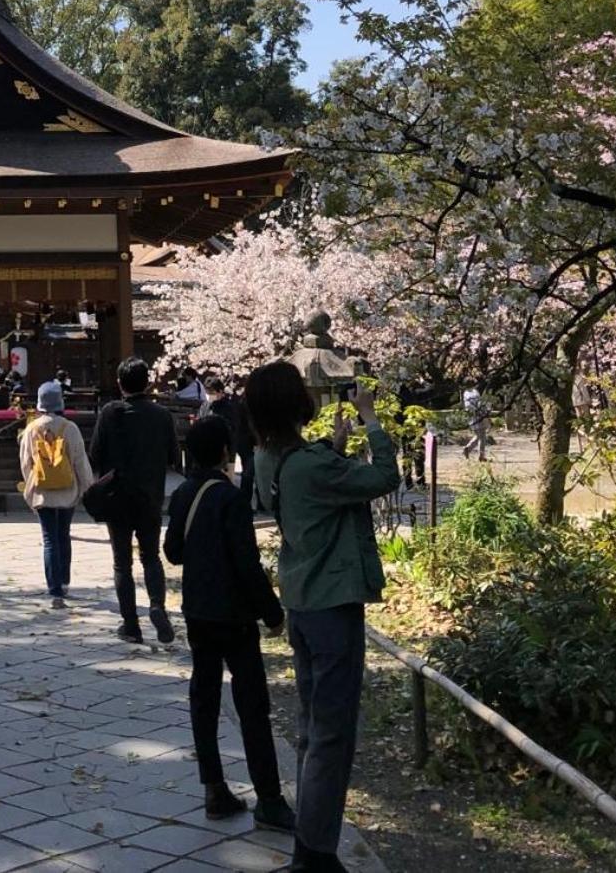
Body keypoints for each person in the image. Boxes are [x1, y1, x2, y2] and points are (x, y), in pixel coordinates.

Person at [248, 361, 400, 873]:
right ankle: (314, 854)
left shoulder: (269, 458)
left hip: (300, 601)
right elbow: (385, 477)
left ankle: (309, 843)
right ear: (298, 404)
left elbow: (306, 488)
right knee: (332, 733)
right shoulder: (311, 464)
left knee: (313, 726)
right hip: (333, 604)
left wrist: (334, 445)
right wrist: (370, 419)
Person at [165, 416, 297, 829]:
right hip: (235, 615)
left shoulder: (185, 493)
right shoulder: (231, 499)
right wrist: (273, 612)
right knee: (252, 706)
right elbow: (247, 564)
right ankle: (269, 799)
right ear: (225, 452)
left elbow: (172, 552)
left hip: (198, 612)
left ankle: (214, 789)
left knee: (203, 701)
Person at [89, 356, 181, 644]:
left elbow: (95, 455)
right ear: (149, 382)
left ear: (119, 383)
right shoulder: (161, 415)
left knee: (122, 562)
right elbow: (172, 457)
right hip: (149, 495)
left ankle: (131, 624)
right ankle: (157, 606)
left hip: (117, 496)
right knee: (151, 556)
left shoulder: (109, 413)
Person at [19, 380, 95, 608]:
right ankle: (65, 582)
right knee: (64, 535)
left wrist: (30, 485)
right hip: (67, 490)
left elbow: (25, 463)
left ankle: (53, 590)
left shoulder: (31, 429)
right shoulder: (69, 428)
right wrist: (86, 486)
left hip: (43, 492)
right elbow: (80, 461)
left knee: (49, 539)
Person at [198, 375, 256, 505]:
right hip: (208, 448)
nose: (209, 395)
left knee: (226, 480)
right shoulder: (205, 406)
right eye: (207, 392)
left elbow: (233, 429)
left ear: (220, 392)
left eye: (211, 392)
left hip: (226, 449)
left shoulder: (229, 407)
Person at [461, 386, 490, 462]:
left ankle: (468, 449)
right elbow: (478, 403)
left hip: (474, 415)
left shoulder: (467, 393)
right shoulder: (474, 392)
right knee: (482, 436)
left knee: (479, 436)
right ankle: (481, 456)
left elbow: (468, 406)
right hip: (477, 415)